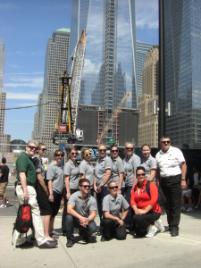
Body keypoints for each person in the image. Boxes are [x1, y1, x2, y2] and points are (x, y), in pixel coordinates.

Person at [14, 140, 57, 248]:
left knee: (24, 215)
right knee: (34, 214)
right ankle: (41, 240)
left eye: (35, 148)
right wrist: (25, 190)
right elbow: (22, 174)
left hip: (29, 188)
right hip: (27, 188)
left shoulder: (28, 158)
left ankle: (19, 239)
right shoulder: (23, 158)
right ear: (26, 147)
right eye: (31, 147)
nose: (33, 149)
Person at [155, 136, 187, 237]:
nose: (166, 143)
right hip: (163, 181)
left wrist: (183, 179)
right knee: (165, 203)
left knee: (175, 204)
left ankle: (174, 227)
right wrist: (157, 181)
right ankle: (170, 224)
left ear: (170, 142)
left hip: (175, 180)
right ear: (160, 143)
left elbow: (183, 165)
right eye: (163, 142)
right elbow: (157, 170)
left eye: (168, 142)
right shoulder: (158, 154)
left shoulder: (176, 151)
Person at [140, 144, 165, 234]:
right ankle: (158, 223)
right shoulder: (141, 160)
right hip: (143, 186)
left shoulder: (152, 160)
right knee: (147, 206)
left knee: (151, 207)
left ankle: (152, 227)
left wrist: (143, 179)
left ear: (150, 150)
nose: (145, 152)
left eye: (147, 150)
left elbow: (152, 176)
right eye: (144, 150)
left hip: (150, 187)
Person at [130, 166, 161, 238]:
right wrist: (136, 209)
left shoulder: (151, 185)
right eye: (138, 175)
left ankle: (153, 227)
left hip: (153, 211)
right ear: (136, 176)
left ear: (145, 174)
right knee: (139, 233)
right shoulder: (135, 187)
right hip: (140, 211)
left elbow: (154, 200)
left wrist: (144, 210)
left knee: (138, 219)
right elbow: (132, 200)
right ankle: (154, 223)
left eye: (142, 174)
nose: (141, 176)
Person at [65, 178, 97, 248]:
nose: (87, 188)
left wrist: (87, 220)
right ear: (80, 187)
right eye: (85, 186)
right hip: (76, 219)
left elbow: (93, 213)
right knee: (68, 217)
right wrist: (80, 218)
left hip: (86, 220)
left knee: (93, 228)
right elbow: (69, 209)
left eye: (89, 186)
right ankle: (70, 239)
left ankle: (84, 234)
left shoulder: (92, 199)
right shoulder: (74, 196)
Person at [32, 143, 54, 241]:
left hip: (39, 187)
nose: (44, 151)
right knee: (47, 211)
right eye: (43, 149)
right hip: (39, 187)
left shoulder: (40, 160)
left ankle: (36, 234)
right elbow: (39, 176)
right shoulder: (37, 159)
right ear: (37, 150)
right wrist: (46, 190)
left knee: (37, 211)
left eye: (45, 149)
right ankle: (45, 235)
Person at [46, 149, 64, 236]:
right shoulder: (51, 166)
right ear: (54, 156)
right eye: (57, 155)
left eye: (61, 155)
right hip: (54, 192)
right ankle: (48, 231)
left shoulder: (60, 166)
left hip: (59, 193)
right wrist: (51, 194)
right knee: (50, 212)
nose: (59, 156)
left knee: (54, 213)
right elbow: (49, 180)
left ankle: (51, 229)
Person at [62, 146, 80, 234]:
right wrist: (68, 192)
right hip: (70, 189)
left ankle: (73, 226)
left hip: (76, 189)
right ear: (69, 154)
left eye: (76, 153)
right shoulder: (68, 164)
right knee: (67, 210)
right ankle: (65, 229)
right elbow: (66, 179)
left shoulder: (76, 163)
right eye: (72, 153)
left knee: (74, 209)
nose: (74, 155)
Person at [94, 144, 112, 220]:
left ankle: (106, 225)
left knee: (105, 207)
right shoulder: (98, 160)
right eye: (100, 150)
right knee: (99, 206)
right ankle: (102, 224)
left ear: (106, 151)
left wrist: (100, 185)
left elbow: (108, 174)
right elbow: (95, 174)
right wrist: (94, 185)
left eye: (104, 150)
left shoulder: (108, 160)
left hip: (104, 187)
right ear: (98, 151)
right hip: (98, 187)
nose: (102, 152)